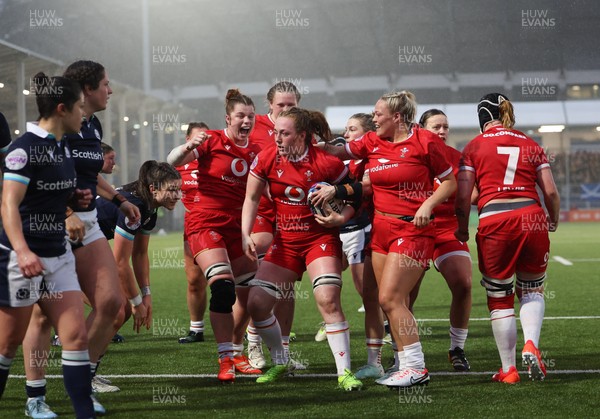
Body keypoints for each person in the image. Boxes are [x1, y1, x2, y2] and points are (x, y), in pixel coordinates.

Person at [20, 60, 141, 418]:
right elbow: (47, 177)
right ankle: (35, 397)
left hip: (86, 225)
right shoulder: (59, 125)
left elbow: (88, 175)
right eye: (105, 84)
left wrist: (119, 200)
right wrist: (67, 213)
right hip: (51, 225)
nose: (110, 90)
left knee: (113, 306)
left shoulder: (91, 124)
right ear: (85, 91)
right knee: (43, 317)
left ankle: (81, 382)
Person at [316, 91, 457, 388]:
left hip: (413, 231)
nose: (374, 118)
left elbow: (449, 183)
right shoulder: (373, 142)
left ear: (397, 117)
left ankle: (417, 368)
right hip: (381, 231)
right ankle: (404, 364)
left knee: (389, 298)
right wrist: (310, 142)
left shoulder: (425, 141)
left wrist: (427, 204)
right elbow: (338, 152)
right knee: (391, 300)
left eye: (378, 114)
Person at [241, 107, 363, 391]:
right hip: (285, 242)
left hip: (320, 240)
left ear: (303, 135)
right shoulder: (267, 158)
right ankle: (281, 361)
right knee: (257, 304)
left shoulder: (326, 162)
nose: (277, 138)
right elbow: (251, 197)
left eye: (284, 133)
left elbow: (356, 193)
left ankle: (345, 373)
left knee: (327, 299)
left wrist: (341, 218)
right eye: (275, 132)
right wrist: (245, 233)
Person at [0, 72, 96, 418]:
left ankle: (83, 414)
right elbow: (8, 204)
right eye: (79, 107)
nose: (84, 114)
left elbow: (50, 192)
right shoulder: (22, 148)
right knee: (7, 344)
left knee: (76, 339)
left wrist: (76, 197)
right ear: (61, 108)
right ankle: (32, 400)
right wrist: (23, 251)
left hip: (59, 255)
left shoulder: (61, 145)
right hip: (20, 258)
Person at [455, 93, 560, 384]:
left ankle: (509, 370)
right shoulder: (529, 143)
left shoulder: (474, 147)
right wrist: (553, 218)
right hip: (532, 217)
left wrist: (462, 228)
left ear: (482, 118)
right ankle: (531, 344)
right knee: (532, 289)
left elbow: (464, 198)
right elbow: (550, 192)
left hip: (495, 221)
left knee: (500, 299)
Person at [167, 89, 261, 383]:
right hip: (205, 223)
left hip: (237, 226)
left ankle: (236, 351)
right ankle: (224, 360)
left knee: (249, 290)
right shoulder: (212, 140)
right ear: (228, 118)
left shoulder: (257, 150)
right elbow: (173, 161)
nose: (246, 120)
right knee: (222, 287)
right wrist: (187, 147)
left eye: (250, 115)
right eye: (240, 116)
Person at [408, 109, 473, 371]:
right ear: (422, 128)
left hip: (447, 229)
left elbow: (472, 194)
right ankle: (402, 349)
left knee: (464, 284)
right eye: (436, 127)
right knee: (404, 296)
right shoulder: (411, 153)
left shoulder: (458, 158)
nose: (443, 132)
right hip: (414, 228)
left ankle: (457, 348)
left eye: (446, 127)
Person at [246, 81, 301, 370]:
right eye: (281, 104)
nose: (287, 108)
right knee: (259, 284)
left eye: (292, 104)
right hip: (262, 214)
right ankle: (252, 344)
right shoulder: (251, 127)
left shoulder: (304, 127)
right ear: (269, 104)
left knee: (288, 288)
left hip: (293, 215)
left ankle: (283, 353)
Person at [176, 122, 209, 344]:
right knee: (194, 280)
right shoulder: (178, 165)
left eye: (204, 138)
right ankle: (196, 329)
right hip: (193, 228)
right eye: (196, 138)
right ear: (187, 140)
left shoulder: (217, 159)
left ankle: (247, 329)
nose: (200, 142)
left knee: (236, 280)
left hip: (223, 225)